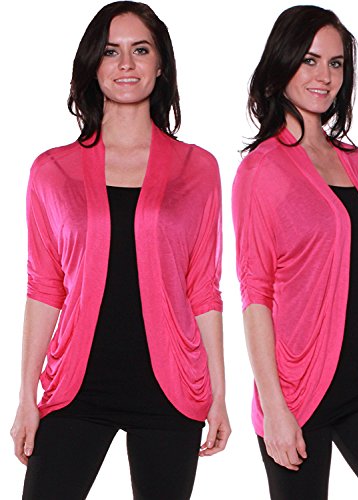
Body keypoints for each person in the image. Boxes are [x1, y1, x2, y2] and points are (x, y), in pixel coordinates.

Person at [10, 2, 230, 499]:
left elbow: (203, 287)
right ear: (93, 64)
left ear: (161, 64)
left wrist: (219, 394)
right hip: (76, 387)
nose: (126, 64)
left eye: (141, 50)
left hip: (171, 389)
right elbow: (45, 287)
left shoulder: (198, 169)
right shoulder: (51, 171)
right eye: (111, 52)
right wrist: (26, 396)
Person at [232, 5, 358, 499]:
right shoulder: (261, 171)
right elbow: (255, 294)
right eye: (310, 60)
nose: (324, 76)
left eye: (336, 63)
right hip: (297, 391)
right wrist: (274, 407)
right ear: (282, 65)